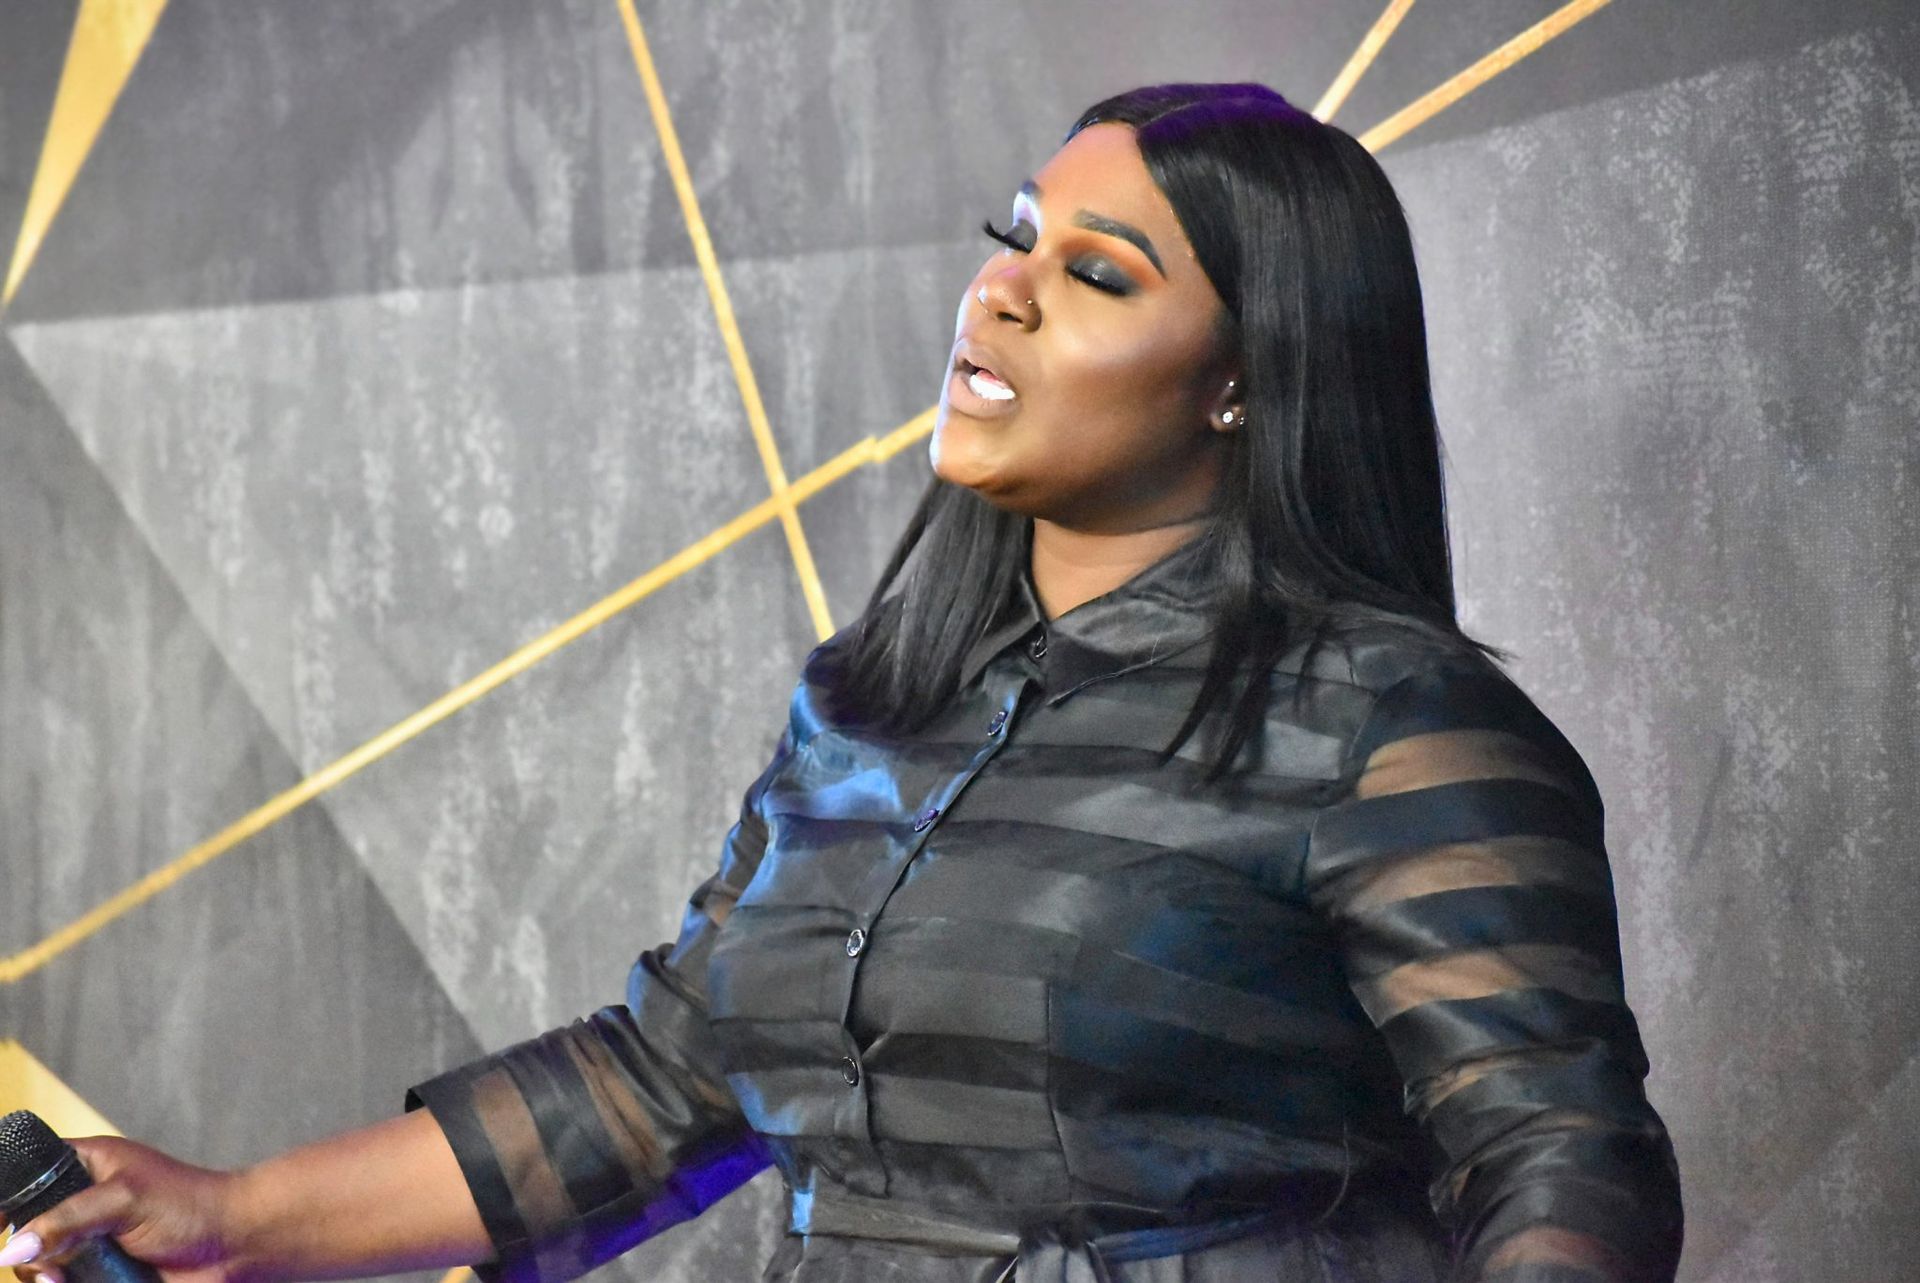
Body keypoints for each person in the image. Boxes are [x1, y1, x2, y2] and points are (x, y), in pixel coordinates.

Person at [3, 82, 1684, 1283]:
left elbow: (1558, 1161)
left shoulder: (1396, 722)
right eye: (1014, 238)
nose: (1002, 289)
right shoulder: (870, 712)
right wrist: (224, 1216)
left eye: (1097, 274)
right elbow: (663, 1088)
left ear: (1249, 383)